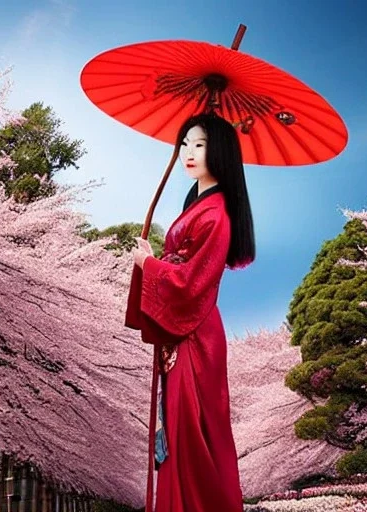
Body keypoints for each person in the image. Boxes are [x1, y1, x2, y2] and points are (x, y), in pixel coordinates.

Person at [124, 112, 255, 512]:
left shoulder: (216, 214)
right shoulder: (197, 206)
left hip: (195, 329)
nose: (188, 153)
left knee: (192, 430)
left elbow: (193, 281)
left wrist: (150, 265)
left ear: (220, 150)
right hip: (184, 328)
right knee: (177, 427)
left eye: (199, 144)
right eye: (185, 144)